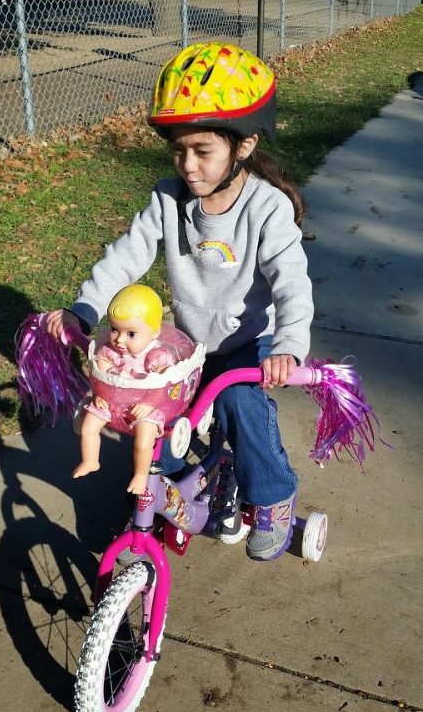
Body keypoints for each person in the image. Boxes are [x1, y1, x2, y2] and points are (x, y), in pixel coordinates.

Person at [47, 41, 314, 562]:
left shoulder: (266, 207)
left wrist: (289, 345)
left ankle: (273, 494)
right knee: (155, 416)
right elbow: (126, 255)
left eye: (202, 150)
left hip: (250, 343)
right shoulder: (168, 198)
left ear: (243, 145)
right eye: (178, 150)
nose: (188, 165)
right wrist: (86, 308)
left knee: (240, 404)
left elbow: (292, 282)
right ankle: (155, 498)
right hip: (189, 345)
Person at [73, 284, 176, 494]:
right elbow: (100, 377)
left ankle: (140, 475)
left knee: (144, 440)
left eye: (131, 333)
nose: (119, 339)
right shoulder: (110, 351)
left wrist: (150, 404)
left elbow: (163, 385)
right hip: (113, 400)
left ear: (154, 333)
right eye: (114, 329)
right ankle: (90, 460)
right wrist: (99, 394)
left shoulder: (156, 356)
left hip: (144, 404)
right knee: (88, 426)